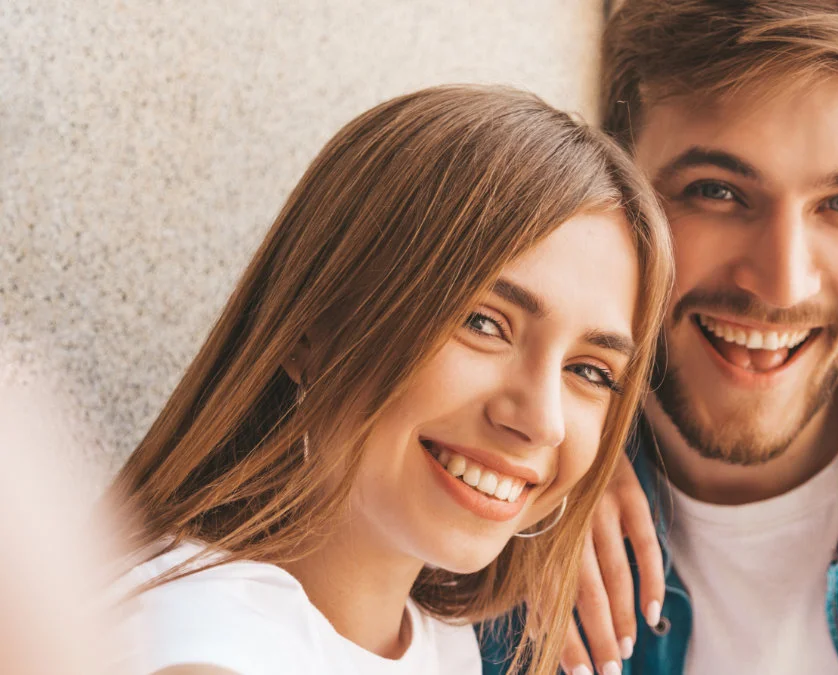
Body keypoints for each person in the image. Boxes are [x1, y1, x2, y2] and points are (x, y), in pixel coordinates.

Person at [479, 2, 838, 674]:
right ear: (615, 195)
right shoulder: (497, 491)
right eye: (717, 191)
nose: (783, 284)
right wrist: (529, 485)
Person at [108, 85, 674, 675]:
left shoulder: (440, 645)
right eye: (484, 323)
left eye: (589, 371)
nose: (541, 421)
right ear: (310, 329)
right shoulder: (199, 646)